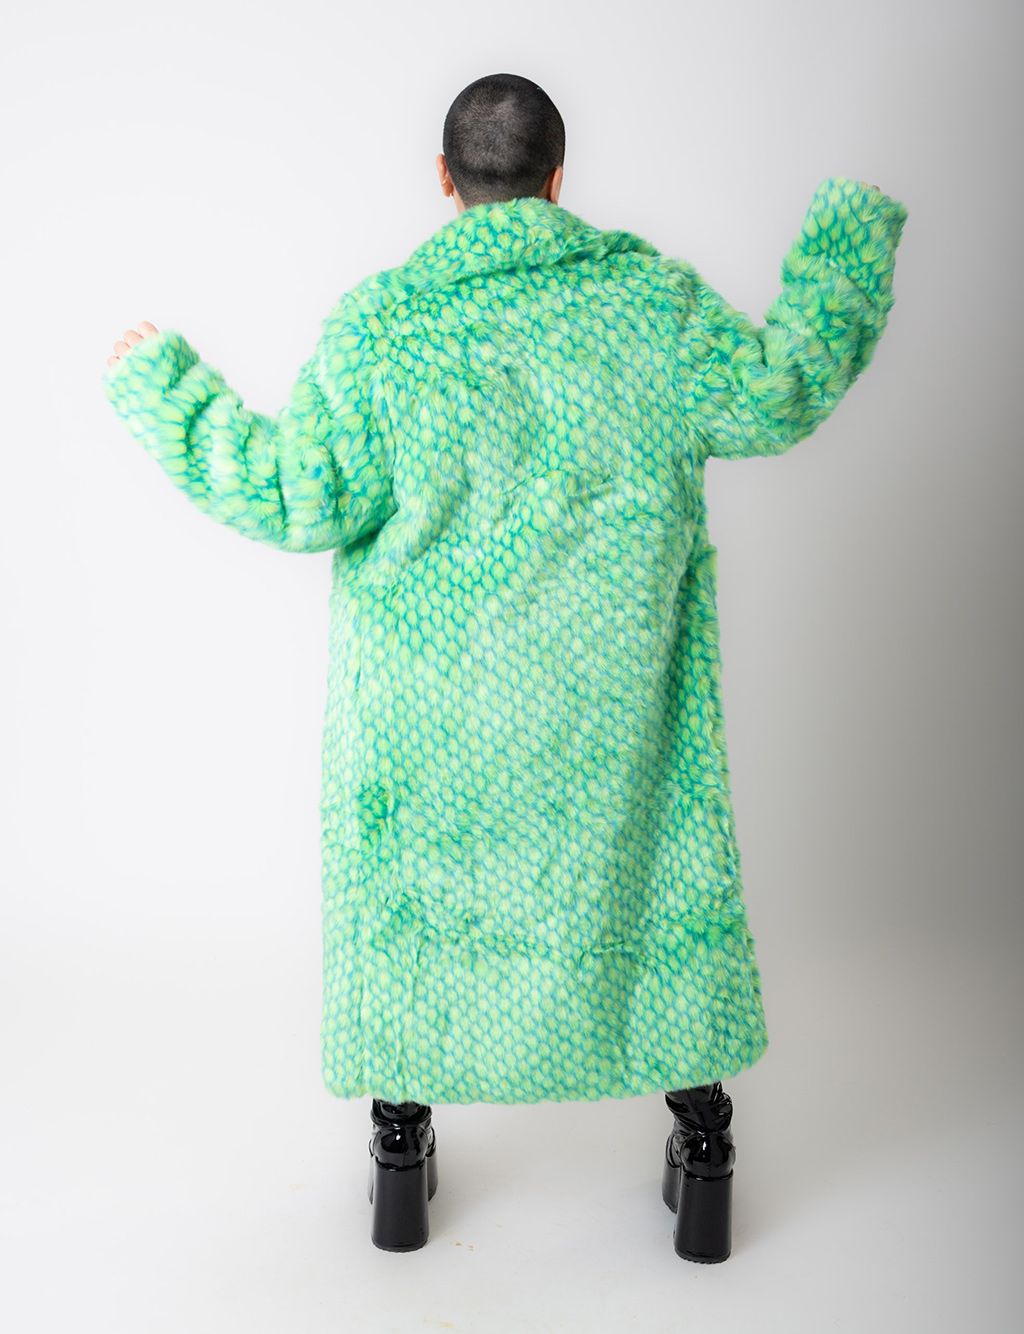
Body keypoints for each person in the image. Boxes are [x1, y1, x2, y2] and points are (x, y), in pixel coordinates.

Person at [102, 72, 908, 1259]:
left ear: (444, 179)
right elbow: (779, 390)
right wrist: (845, 244)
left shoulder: (383, 327)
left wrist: (165, 384)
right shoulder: (648, 305)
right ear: (557, 177)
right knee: (658, 880)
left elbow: (290, 493)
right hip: (611, 719)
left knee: (413, 905)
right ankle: (705, 1143)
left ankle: (399, 1146)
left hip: (432, 723)